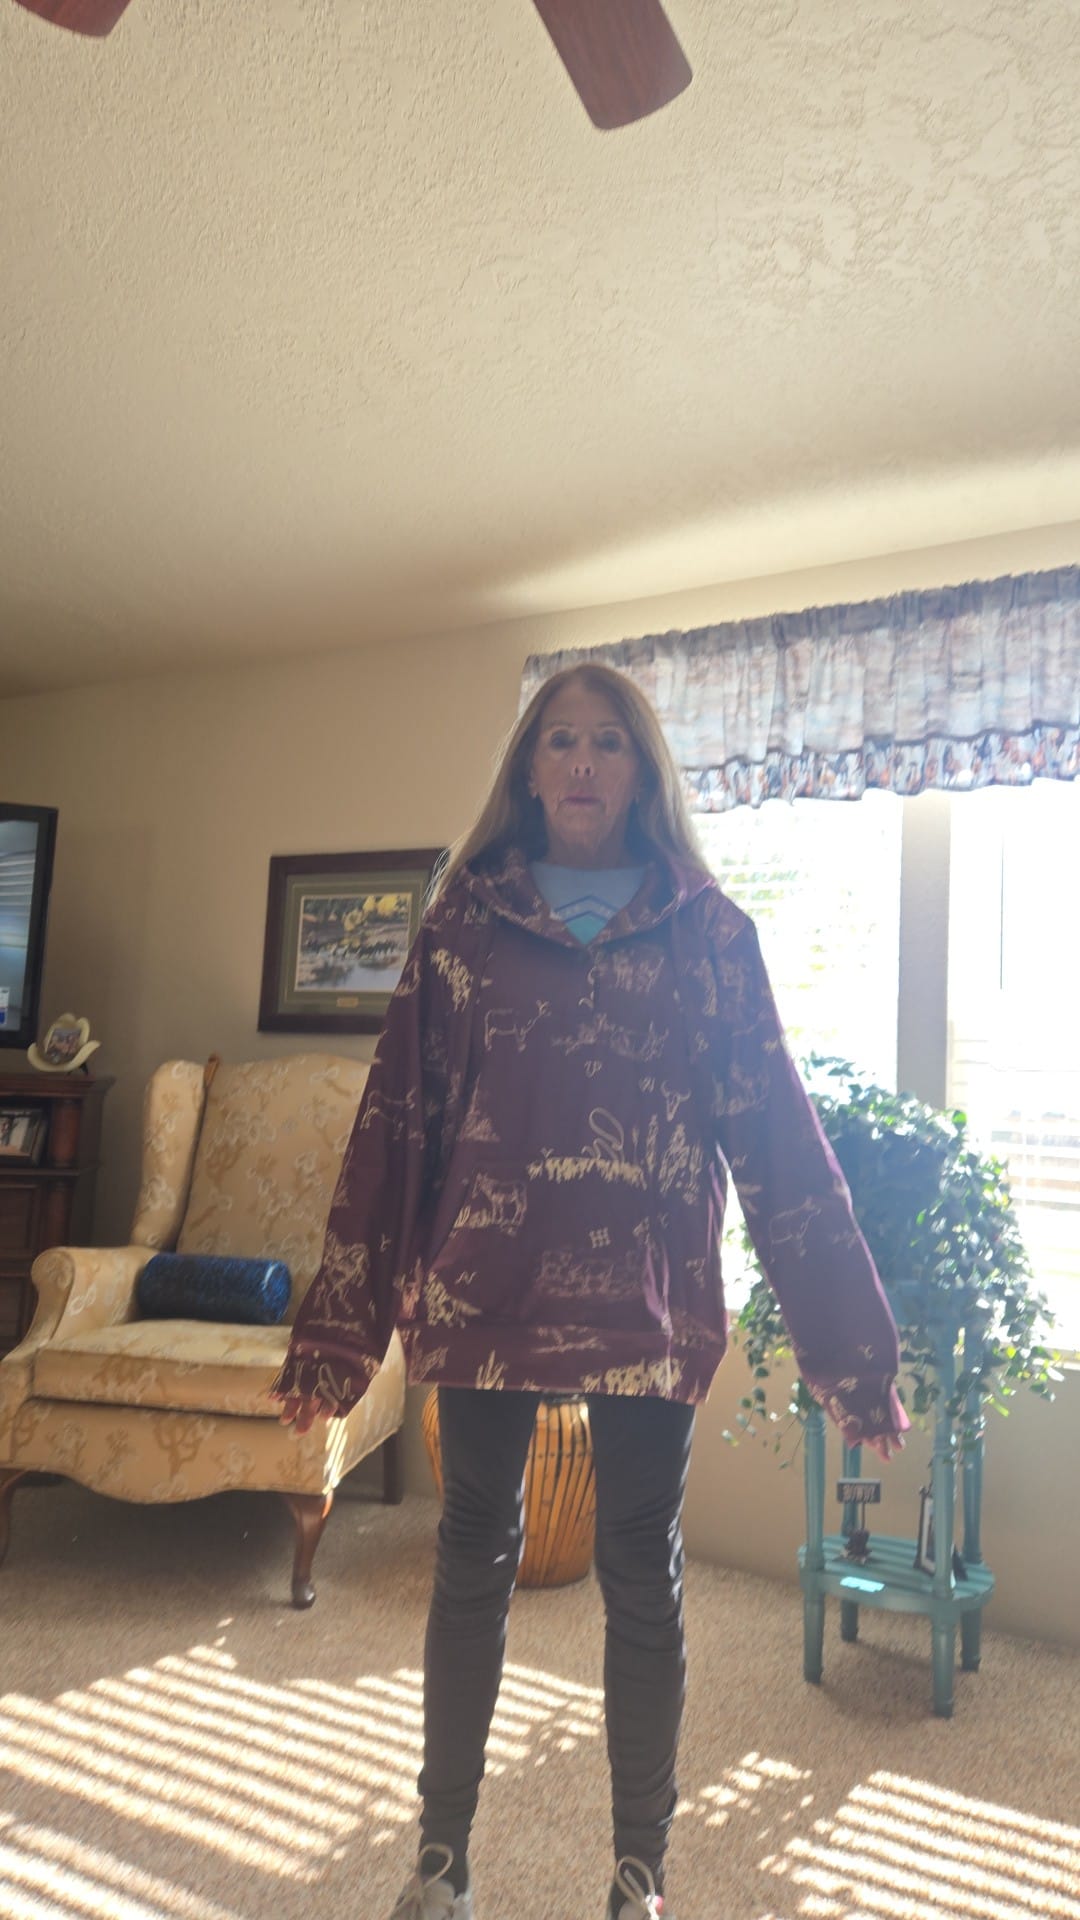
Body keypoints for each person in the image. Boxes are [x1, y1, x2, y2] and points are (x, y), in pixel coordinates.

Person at [274, 663, 909, 1920]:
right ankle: (441, 1863)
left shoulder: (711, 935)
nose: (580, 762)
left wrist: (852, 1352)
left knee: (639, 1568)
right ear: (527, 767)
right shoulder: (461, 928)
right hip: (482, 1292)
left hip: (646, 1303)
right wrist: (337, 1341)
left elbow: (781, 1142)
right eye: (559, 739)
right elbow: (394, 1127)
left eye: (608, 743)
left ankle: (638, 1874)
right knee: (472, 1555)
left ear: (643, 771)